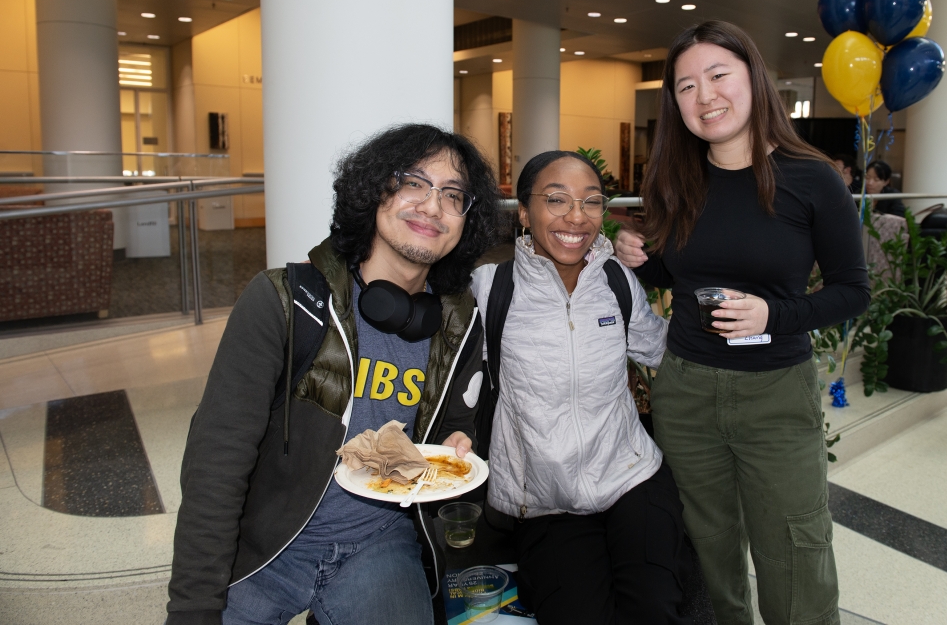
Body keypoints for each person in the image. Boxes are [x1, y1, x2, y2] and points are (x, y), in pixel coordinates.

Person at [166, 124, 502, 625]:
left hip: (380, 541)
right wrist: (193, 607)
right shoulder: (284, 301)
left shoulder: (458, 321)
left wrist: (457, 438)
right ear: (374, 191)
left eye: (453, 195)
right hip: (267, 544)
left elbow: (457, 423)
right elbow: (216, 463)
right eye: (414, 182)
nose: (433, 206)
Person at [614, 20, 870, 625]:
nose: (704, 96)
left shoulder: (811, 179)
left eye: (718, 75)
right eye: (685, 86)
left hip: (775, 396)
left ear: (754, 79)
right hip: (687, 392)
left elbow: (851, 291)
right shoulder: (675, 178)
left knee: (795, 551)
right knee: (710, 549)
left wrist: (771, 314)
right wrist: (642, 262)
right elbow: (677, 277)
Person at [470, 151, 692, 625]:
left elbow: (662, 351)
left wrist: (707, 296)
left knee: (654, 608)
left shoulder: (616, 281)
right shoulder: (491, 289)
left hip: (631, 474)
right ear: (524, 213)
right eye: (556, 200)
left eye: (591, 202)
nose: (576, 216)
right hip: (545, 498)